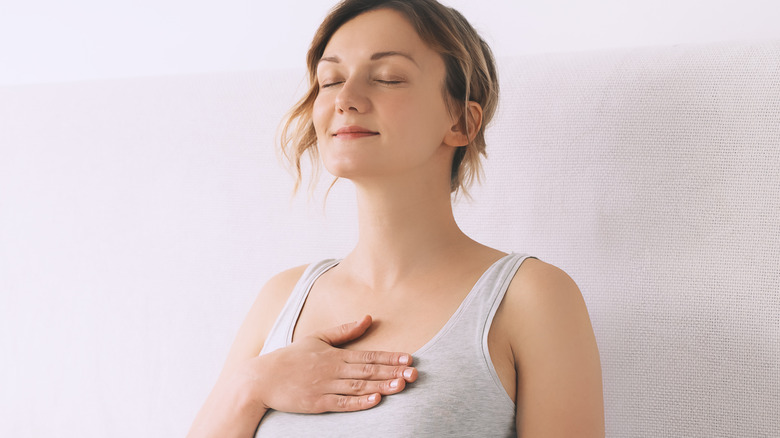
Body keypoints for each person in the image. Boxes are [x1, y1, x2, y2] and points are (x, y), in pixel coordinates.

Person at [188, 0, 604, 436]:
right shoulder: (282, 298)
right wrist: (249, 386)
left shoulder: (531, 298)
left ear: (461, 120)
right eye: (330, 81)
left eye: (387, 78)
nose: (345, 99)